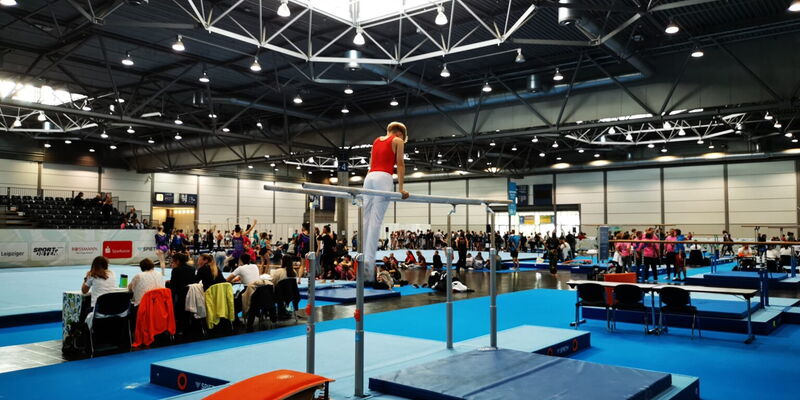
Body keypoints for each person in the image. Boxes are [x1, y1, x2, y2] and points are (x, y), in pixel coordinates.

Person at [362, 122, 409, 284]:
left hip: (369, 178)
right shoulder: (398, 141)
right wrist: (401, 189)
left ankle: (362, 257)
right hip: (383, 177)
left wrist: (365, 185)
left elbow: (370, 165)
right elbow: (400, 165)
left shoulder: (376, 140)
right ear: (400, 134)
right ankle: (369, 261)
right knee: (375, 220)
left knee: (366, 219)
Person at [81, 256, 117, 326]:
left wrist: (86, 278)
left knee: (83, 311)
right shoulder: (113, 274)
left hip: (97, 310)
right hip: (111, 308)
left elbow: (84, 291)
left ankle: (83, 333)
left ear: (94, 266)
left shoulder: (92, 275)